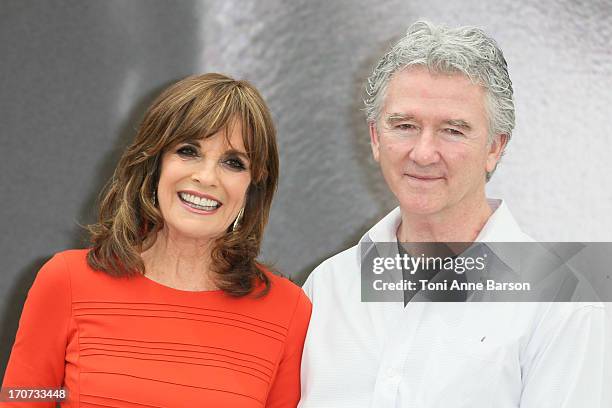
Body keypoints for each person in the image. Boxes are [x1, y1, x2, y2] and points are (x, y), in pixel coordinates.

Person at [298, 21, 609, 407]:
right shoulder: (327, 288)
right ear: (376, 137)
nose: (424, 153)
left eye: (453, 130)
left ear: (495, 147)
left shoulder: (564, 303)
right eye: (405, 125)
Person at [2, 73, 311, 407]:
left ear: (253, 187)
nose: (206, 177)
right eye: (188, 151)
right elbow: (25, 397)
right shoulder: (66, 280)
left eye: (233, 162)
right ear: (154, 164)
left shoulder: (287, 311)